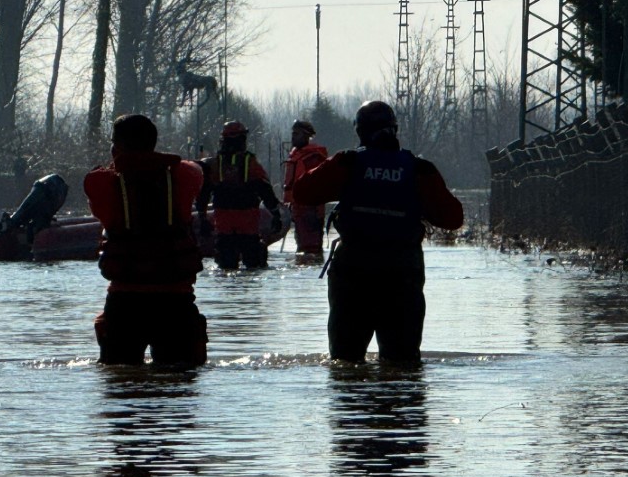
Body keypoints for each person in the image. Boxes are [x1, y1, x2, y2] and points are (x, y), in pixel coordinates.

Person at [293, 100, 463, 363]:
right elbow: (453, 219)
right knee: (403, 363)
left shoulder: (347, 163)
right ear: (394, 130)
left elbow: (302, 192)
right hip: (402, 273)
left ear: (360, 132)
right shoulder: (419, 169)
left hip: (353, 272)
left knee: (345, 363)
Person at [84, 114, 207, 366]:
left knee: (121, 384)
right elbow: (195, 168)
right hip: (176, 302)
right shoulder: (185, 175)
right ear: (154, 142)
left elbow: (100, 195)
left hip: (124, 303)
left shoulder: (99, 182)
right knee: (178, 389)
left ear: (115, 147)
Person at [196, 120, 283, 269]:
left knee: (226, 264)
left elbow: (204, 193)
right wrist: (275, 213)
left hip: (224, 222)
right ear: (242, 139)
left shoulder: (215, 164)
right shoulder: (250, 162)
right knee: (253, 263)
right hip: (247, 220)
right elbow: (265, 190)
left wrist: (202, 217)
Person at [282, 119, 329, 260]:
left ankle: (311, 267)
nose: (293, 137)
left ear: (306, 136)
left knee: (310, 248)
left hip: (310, 209)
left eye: (296, 134)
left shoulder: (313, 158)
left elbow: (318, 184)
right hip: (298, 208)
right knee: (302, 246)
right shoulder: (296, 155)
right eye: (293, 134)